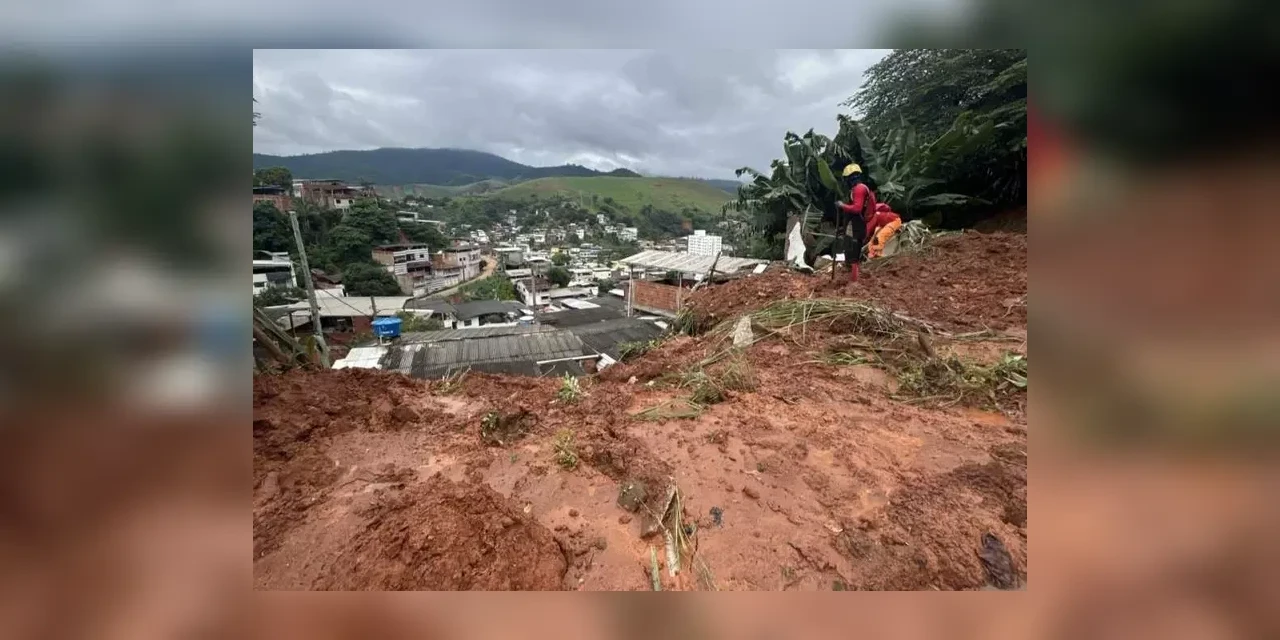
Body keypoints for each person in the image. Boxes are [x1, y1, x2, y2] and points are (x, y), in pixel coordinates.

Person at [835, 163, 877, 282]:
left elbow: (857, 208)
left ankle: (854, 281)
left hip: (856, 225)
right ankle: (853, 279)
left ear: (850, 178)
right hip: (855, 225)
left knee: (853, 253)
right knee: (851, 251)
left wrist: (842, 205)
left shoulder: (859, 189)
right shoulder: (858, 189)